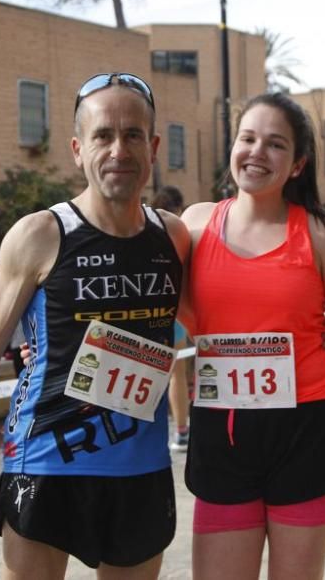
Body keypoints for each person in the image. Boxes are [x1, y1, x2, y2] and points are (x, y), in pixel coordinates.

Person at [0, 72, 191, 578]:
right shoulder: (40, 234)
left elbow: (219, 319)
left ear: (152, 147)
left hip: (139, 470)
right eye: (103, 135)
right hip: (44, 462)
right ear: (79, 149)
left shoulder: (174, 237)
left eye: (131, 136)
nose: (118, 150)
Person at [180, 93, 325, 580]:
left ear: (297, 164)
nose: (257, 153)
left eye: (275, 144)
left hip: (308, 431)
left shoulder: (322, 233)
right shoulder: (195, 224)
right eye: (247, 138)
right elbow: (146, 304)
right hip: (222, 430)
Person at [150, 185, 193, 452]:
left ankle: (173, 432)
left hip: (152, 311)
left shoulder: (145, 228)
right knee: (176, 372)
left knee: (150, 371)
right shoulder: (180, 231)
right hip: (176, 312)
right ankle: (181, 431)